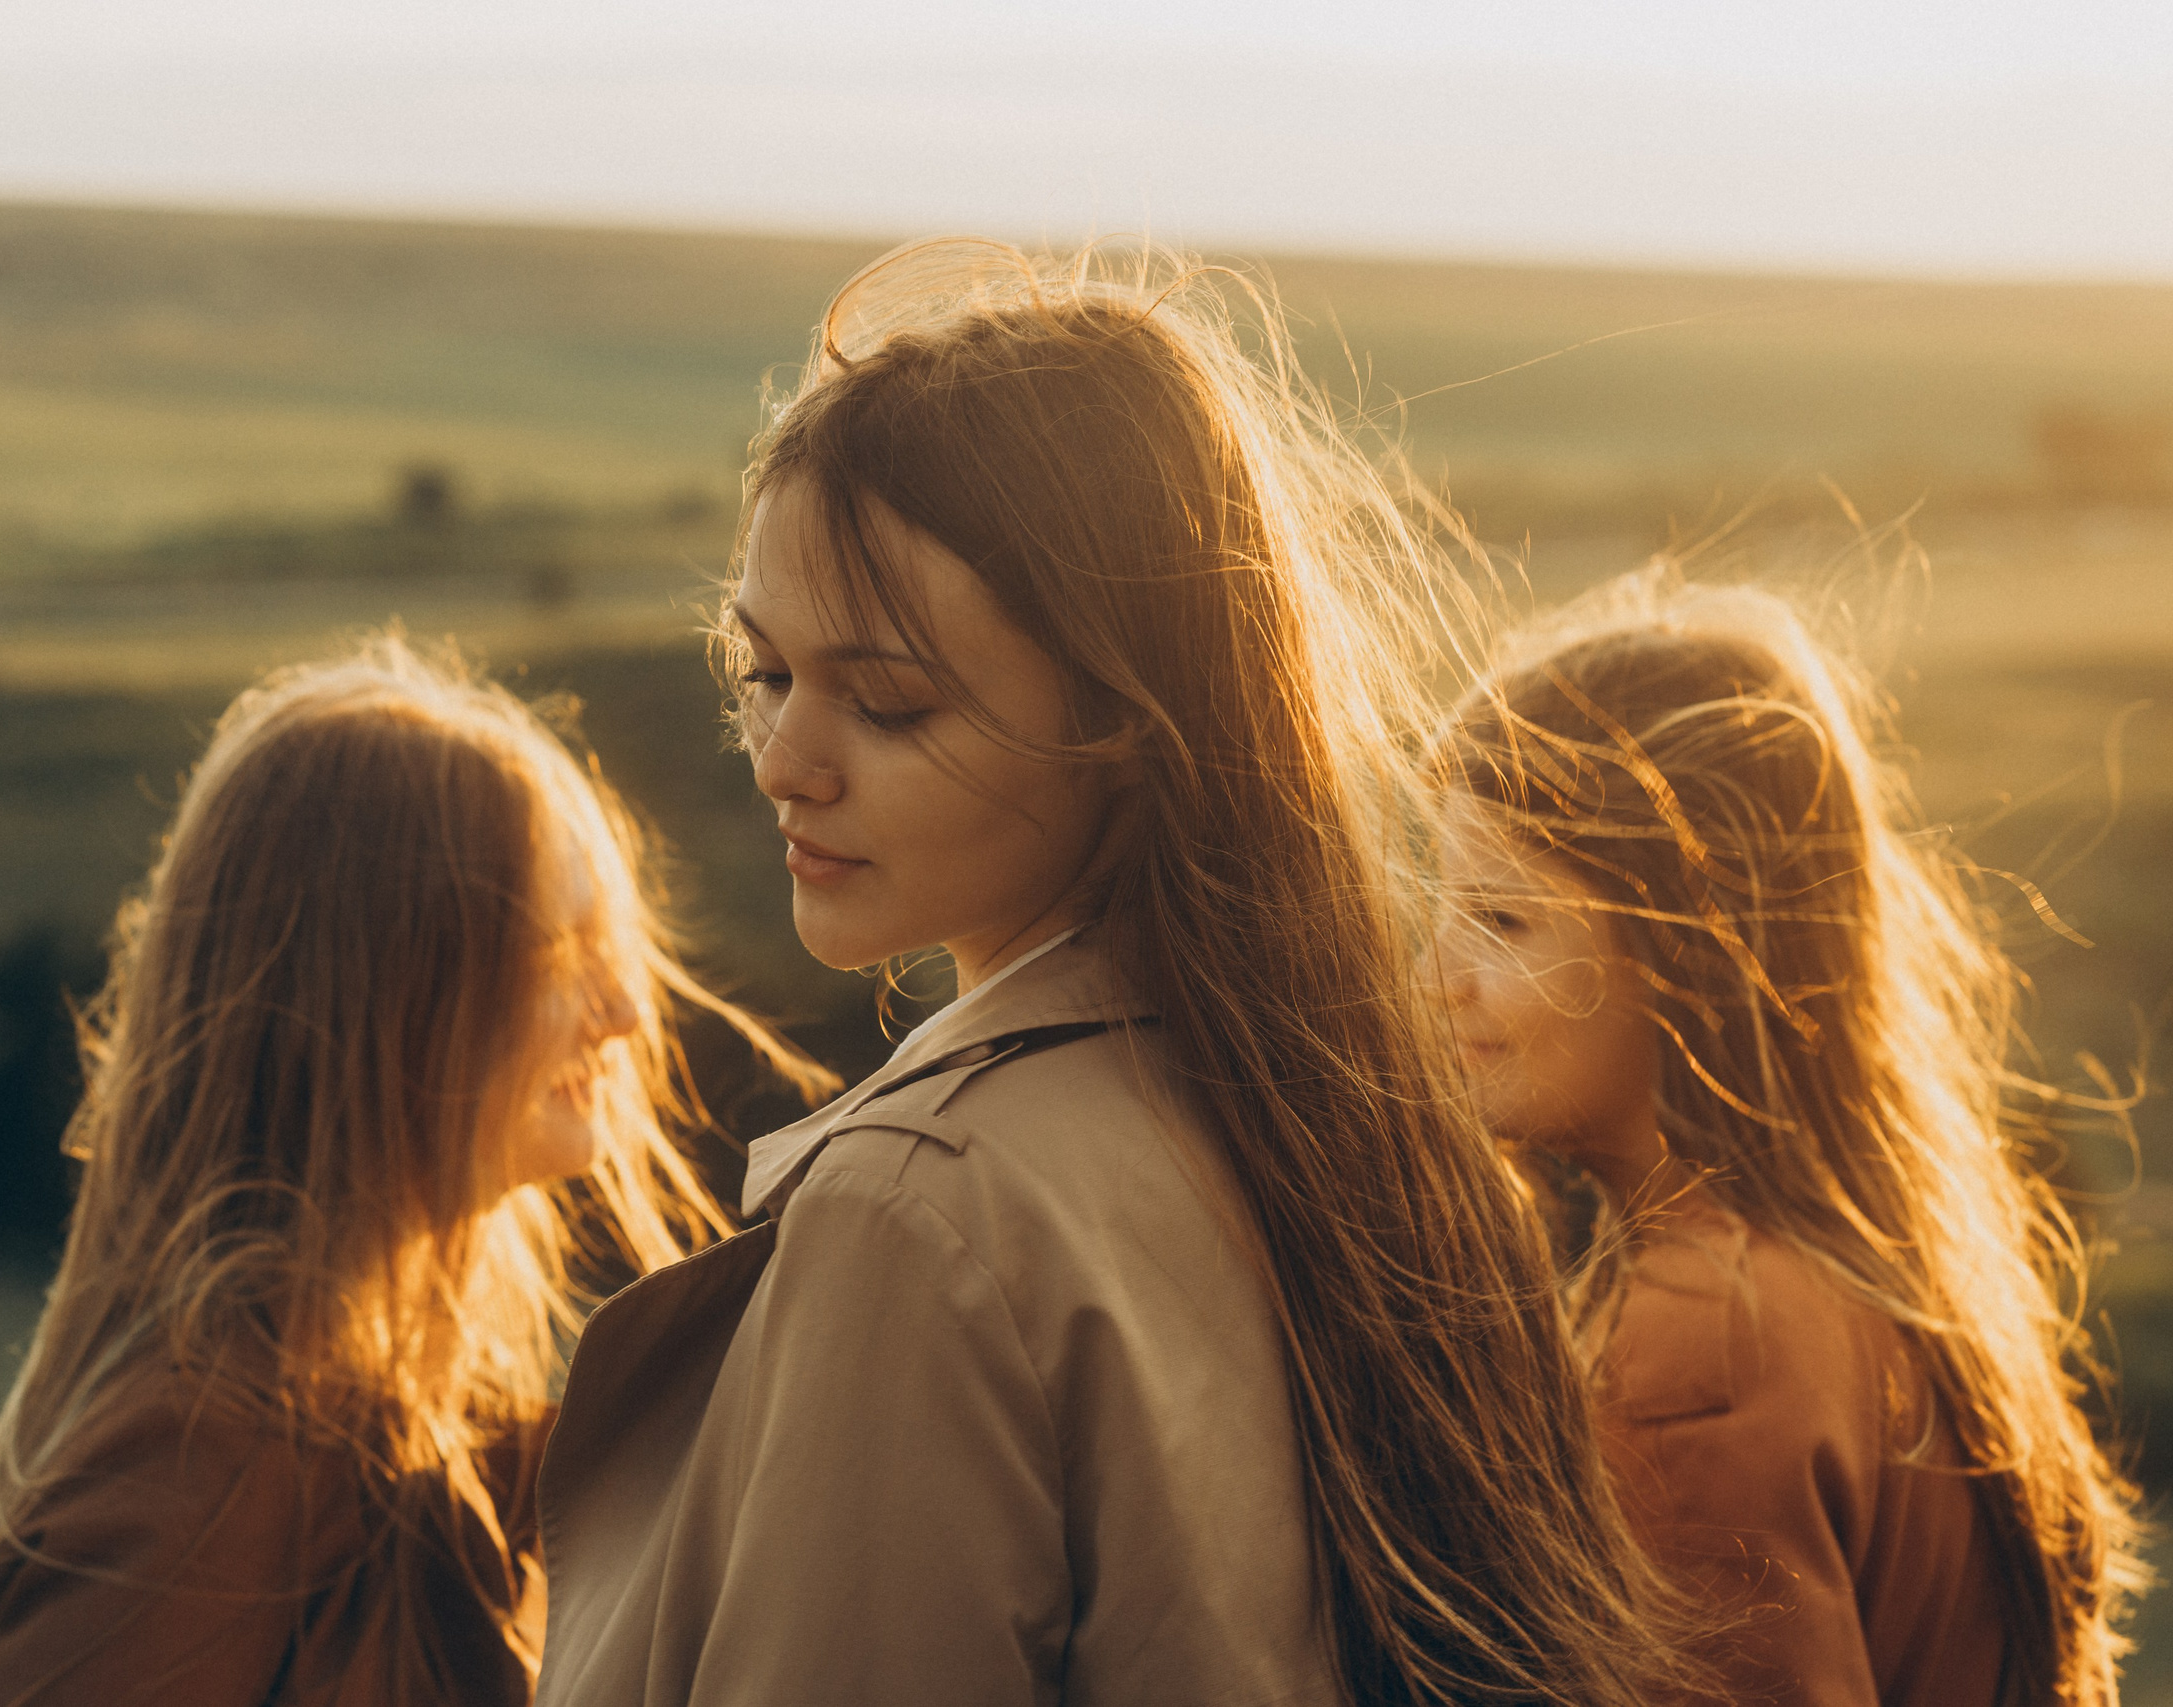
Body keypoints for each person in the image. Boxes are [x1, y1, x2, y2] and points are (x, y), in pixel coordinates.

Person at [532, 240, 1698, 1707]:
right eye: (764, 673)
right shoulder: (1374, 1121)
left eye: (886, 701)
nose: (783, 762)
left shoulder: (917, 1213)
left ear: (1132, 714)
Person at [0, 637, 819, 1707]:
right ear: (377, 993)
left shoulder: (407, 1442)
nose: (625, 1012)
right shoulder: (203, 1471)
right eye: (560, 954)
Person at [1433, 569, 2145, 1706]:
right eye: (1440, 909)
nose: (1435, 977)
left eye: (1499, 918)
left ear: (1686, 950)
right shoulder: (1855, 1261)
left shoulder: (1706, 1342)